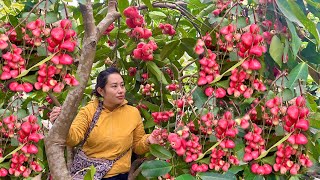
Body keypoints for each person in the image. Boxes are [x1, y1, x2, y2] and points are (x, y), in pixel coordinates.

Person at [49, 67, 159, 180]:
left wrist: (149, 140)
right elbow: (74, 138)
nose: (121, 90)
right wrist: (61, 124)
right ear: (101, 91)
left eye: (122, 85)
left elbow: (137, 146)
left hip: (118, 175)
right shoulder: (89, 111)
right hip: (88, 174)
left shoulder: (133, 113)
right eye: (114, 86)